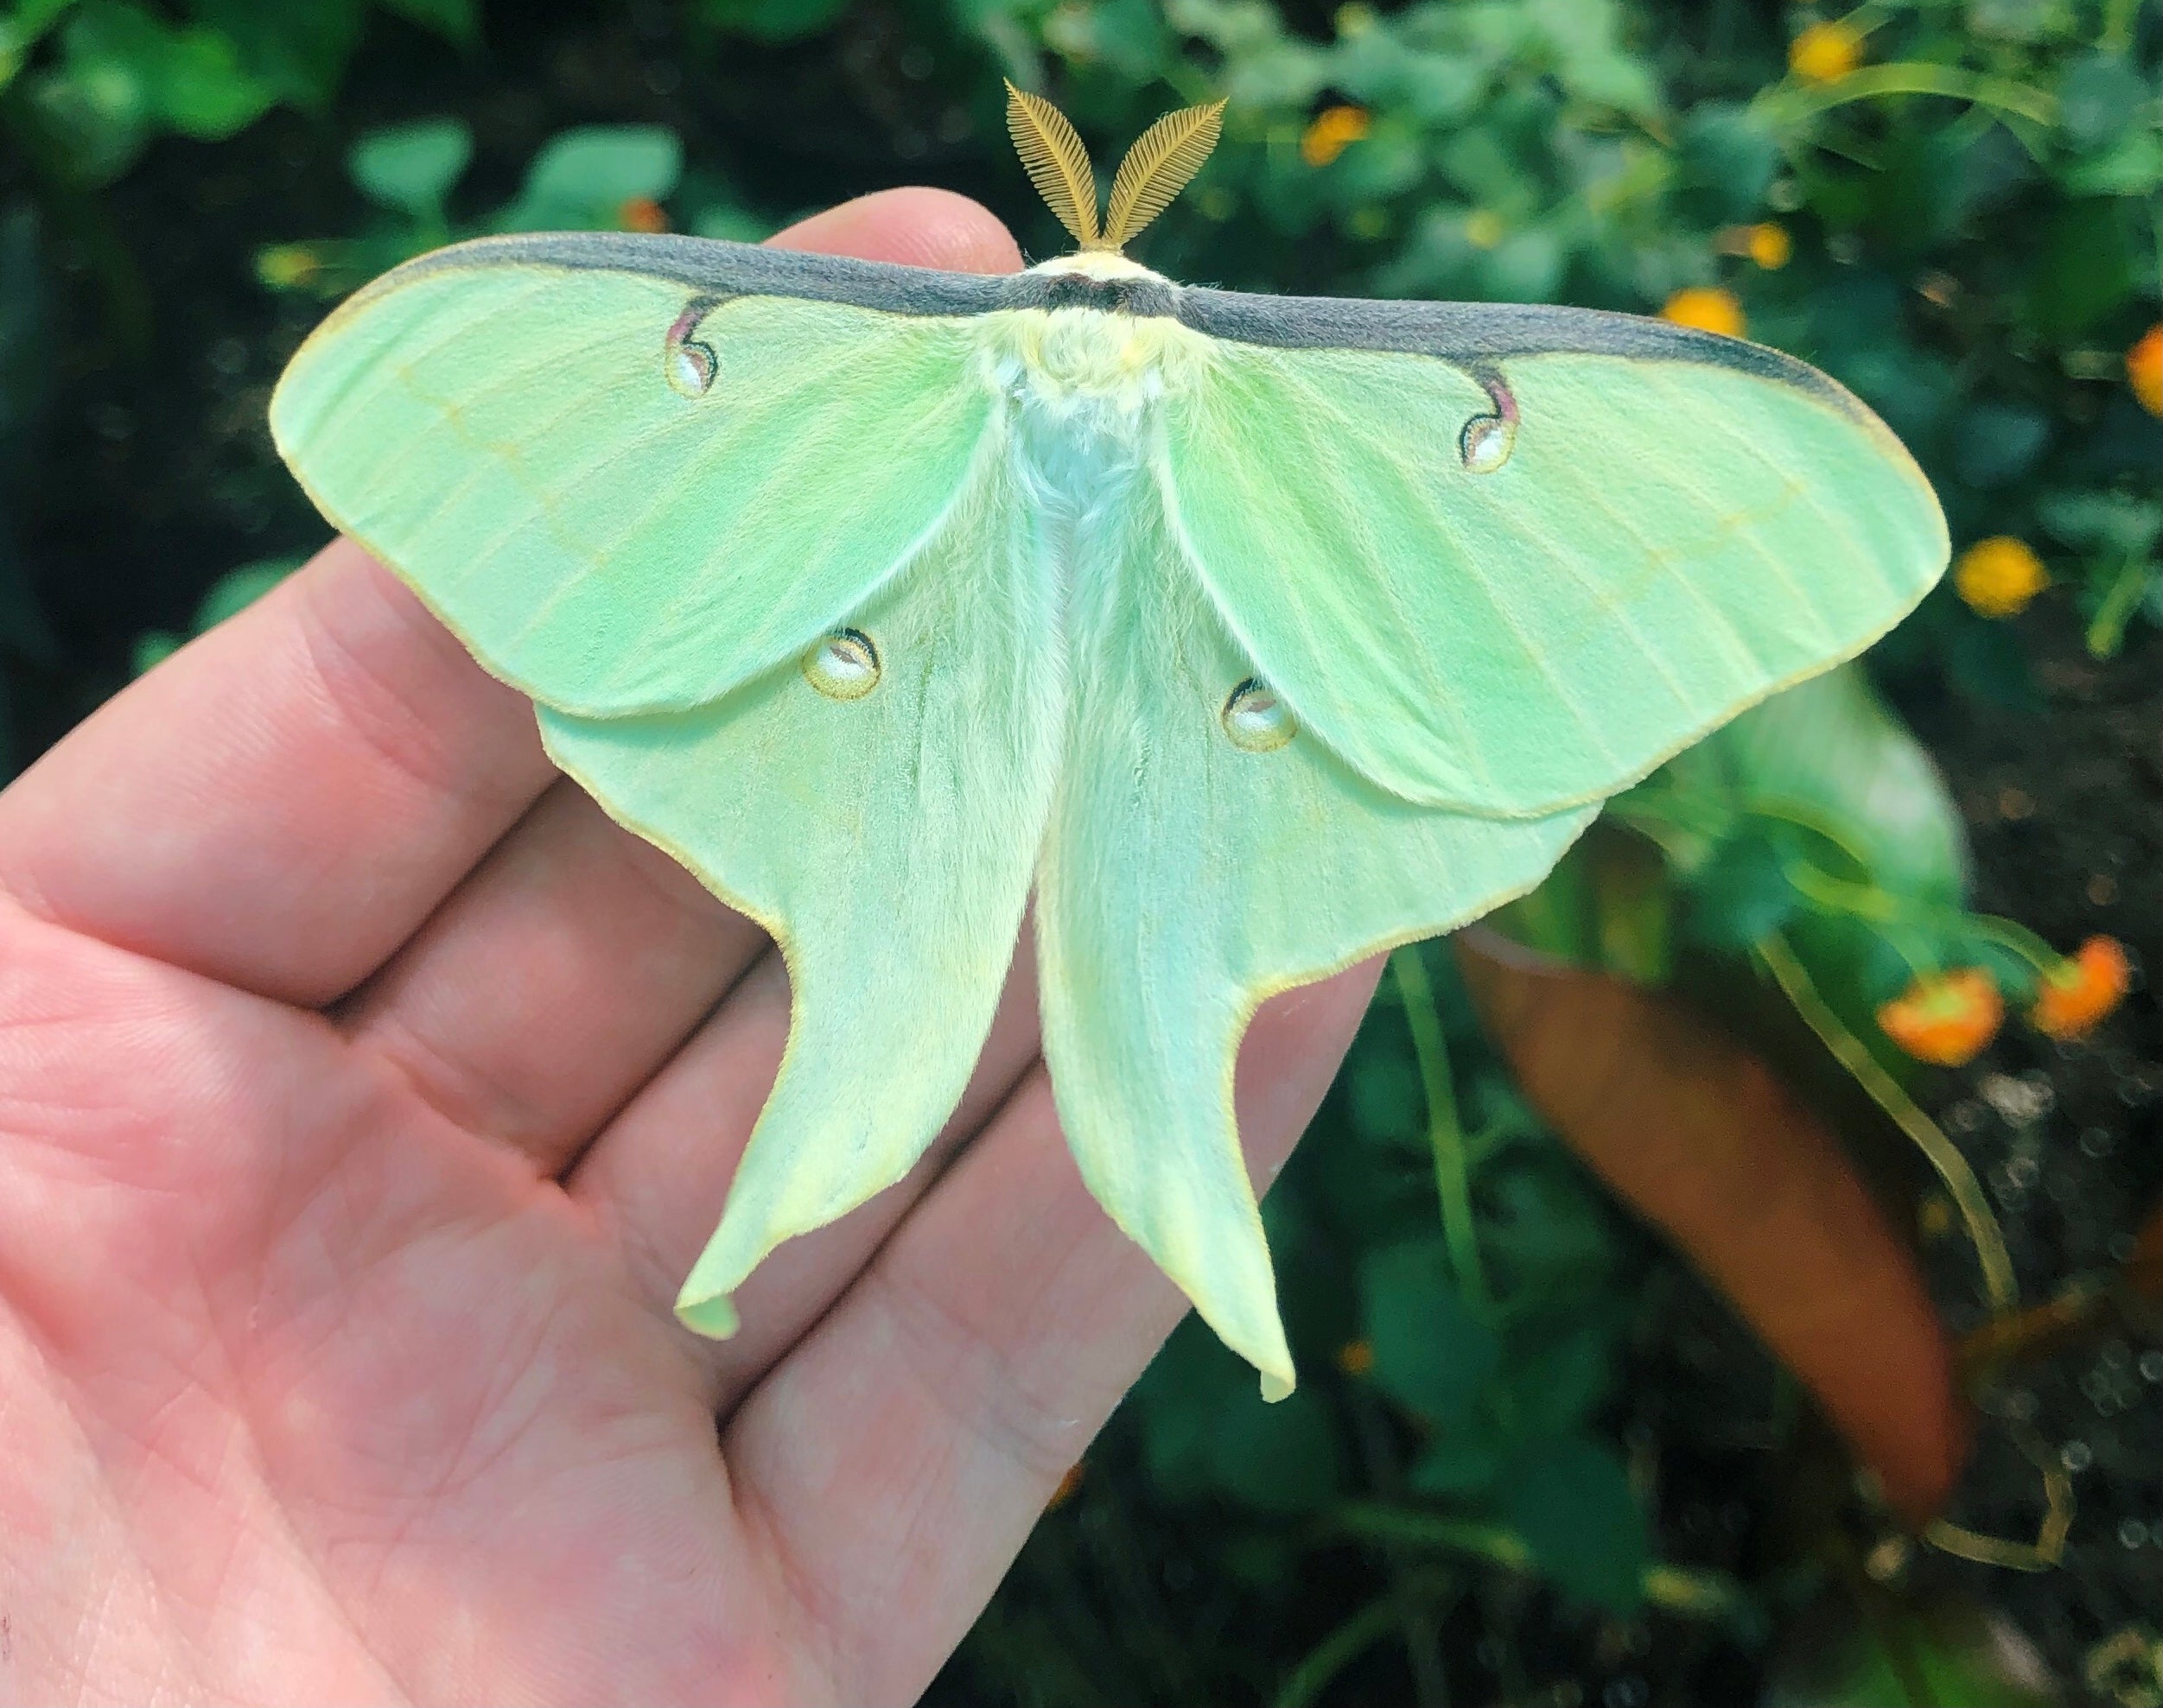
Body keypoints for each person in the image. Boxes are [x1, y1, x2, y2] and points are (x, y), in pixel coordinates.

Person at [0, 189, 1377, 1705]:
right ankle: (880, 1213)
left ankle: (1101, 1223)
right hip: (906, 653)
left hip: (1097, 664)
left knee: (1138, 1011)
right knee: (916, 985)